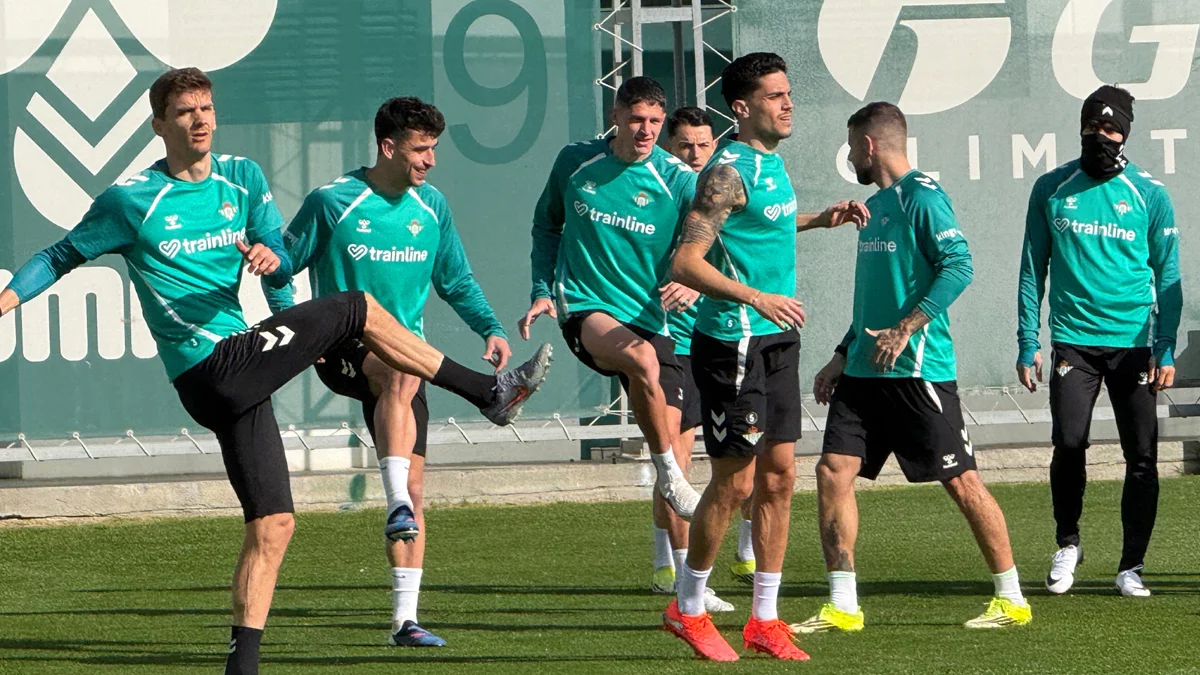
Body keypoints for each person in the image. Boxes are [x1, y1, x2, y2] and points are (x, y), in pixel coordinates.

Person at [0, 68, 548, 675]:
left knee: (274, 523)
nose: (200, 120)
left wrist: (272, 260)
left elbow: (282, 260)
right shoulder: (132, 200)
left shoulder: (244, 178)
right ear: (159, 125)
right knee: (357, 306)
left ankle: (244, 665)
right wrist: (3, 302)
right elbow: (58, 255)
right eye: (185, 112)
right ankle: (486, 392)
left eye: (207, 108)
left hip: (245, 368)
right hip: (207, 367)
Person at [265, 97, 549, 647]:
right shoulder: (333, 200)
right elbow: (280, 266)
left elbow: (455, 279)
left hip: (412, 364)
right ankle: (477, 408)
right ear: (388, 147)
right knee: (401, 367)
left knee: (415, 488)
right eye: (421, 150)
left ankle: (404, 620)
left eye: (434, 149)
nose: (431, 160)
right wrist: (296, 331)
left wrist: (489, 328)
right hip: (345, 352)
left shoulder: (432, 205)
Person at [661, 52, 867, 662]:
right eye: (775, 96)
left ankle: (764, 620)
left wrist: (819, 220)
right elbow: (685, 263)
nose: (788, 103)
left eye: (788, 92)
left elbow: (758, 225)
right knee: (736, 481)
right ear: (742, 107)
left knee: (780, 477)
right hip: (734, 339)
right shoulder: (724, 171)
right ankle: (687, 607)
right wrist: (756, 296)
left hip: (776, 338)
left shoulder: (770, 164)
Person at [799, 101, 1031, 635]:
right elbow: (876, 295)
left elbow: (960, 266)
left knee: (962, 483)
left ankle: (1012, 597)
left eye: (852, 145)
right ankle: (843, 605)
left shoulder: (923, 197)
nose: (850, 156)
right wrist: (841, 353)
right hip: (863, 372)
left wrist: (906, 327)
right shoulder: (873, 206)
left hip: (917, 372)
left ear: (869, 145)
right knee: (832, 471)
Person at [1016, 85, 1180, 598]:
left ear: (1125, 133)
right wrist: (1027, 339)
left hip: (1134, 344)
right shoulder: (1052, 188)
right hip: (1073, 341)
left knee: (1142, 455)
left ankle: (1132, 566)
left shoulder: (1149, 194)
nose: (1101, 137)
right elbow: (1032, 268)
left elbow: (1169, 274)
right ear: (1081, 128)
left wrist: (1165, 346)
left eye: (1111, 129)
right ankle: (1068, 543)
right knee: (1068, 442)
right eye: (1093, 127)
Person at [520, 76, 702, 520]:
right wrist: (542, 290)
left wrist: (695, 282)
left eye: (655, 121)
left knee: (674, 438)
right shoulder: (575, 161)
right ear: (615, 116)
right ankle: (669, 477)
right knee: (642, 359)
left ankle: (679, 564)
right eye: (636, 119)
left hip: (651, 318)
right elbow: (547, 226)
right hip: (586, 307)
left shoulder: (677, 179)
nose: (646, 130)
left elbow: (712, 238)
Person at [651, 105, 736, 614]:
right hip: (667, 344)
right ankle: (685, 578)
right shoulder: (663, 194)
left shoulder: (719, 195)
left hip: (711, 341)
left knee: (738, 463)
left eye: (705, 145)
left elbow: (735, 256)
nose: (696, 154)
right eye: (686, 145)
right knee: (677, 463)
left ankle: (668, 565)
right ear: (669, 146)